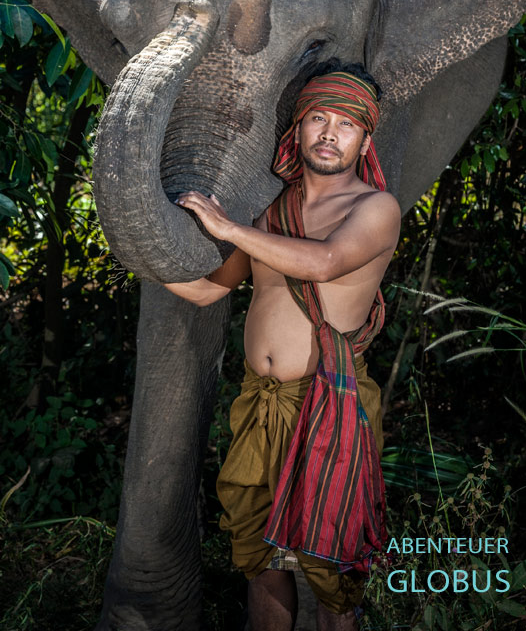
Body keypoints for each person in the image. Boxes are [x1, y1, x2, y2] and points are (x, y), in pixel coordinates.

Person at [164, 63, 401, 631]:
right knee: (261, 560)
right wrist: (136, 249)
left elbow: (323, 262)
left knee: (331, 574)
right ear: (296, 130)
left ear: (365, 140)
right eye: (317, 117)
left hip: (326, 405)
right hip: (259, 403)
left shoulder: (374, 209)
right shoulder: (271, 211)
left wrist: (228, 228)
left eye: (345, 124)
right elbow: (208, 290)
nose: (329, 132)